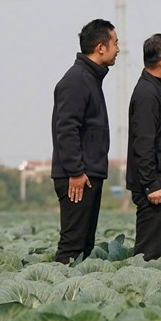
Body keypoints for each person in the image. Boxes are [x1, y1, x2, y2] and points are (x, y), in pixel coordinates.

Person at [51, 19, 118, 264]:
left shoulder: (90, 78)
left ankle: (75, 299)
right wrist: (76, 171)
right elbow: (66, 129)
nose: (118, 49)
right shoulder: (77, 80)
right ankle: (59, 295)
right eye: (115, 43)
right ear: (101, 47)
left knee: (84, 247)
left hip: (88, 173)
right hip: (78, 176)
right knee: (72, 246)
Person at [126, 34, 161, 261]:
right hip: (155, 186)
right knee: (149, 253)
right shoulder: (147, 95)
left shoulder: (156, 89)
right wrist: (151, 184)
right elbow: (144, 144)